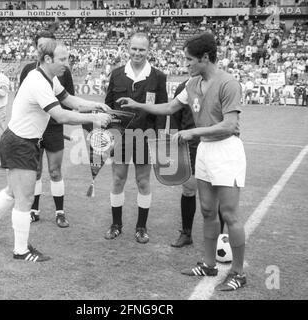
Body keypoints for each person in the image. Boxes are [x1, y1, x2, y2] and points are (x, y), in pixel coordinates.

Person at [118, 32, 247, 291]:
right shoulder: (191, 84)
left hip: (226, 152)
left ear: (206, 58)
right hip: (205, 152)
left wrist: (193, 133)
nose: (185, 63)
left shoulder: (229, 83)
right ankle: (209, 264)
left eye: (189, 59)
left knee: (229, 214)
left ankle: (238, 272)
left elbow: (230, 125)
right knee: (208, 211)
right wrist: (138, 104)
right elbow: (168, 108)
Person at [0, 39, 112, 262]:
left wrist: (94, 105)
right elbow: (61, 115)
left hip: (21, 141)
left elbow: (70, 100)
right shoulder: (38, 81)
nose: (67, 64)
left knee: (13, 191)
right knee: (25, 198)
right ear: (48, 59)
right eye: (62, 59)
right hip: (20, 143)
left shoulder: (49, 78)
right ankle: (21, 250)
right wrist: (94, 118)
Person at [104, 32, 167, 244]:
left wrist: (157, 141)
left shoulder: (158, 77)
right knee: (118, 179)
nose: (137, 53)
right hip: (120, 136)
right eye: (134, 48)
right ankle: (116, 225)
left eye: (142, 49)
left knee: (142, 182)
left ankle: (141, 227)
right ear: (127, 48)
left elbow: (161, 111)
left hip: (144, 137)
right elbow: (109, 108)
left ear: (149, 51)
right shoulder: (117, 74)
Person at [19, 31, 75, 228]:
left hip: (53, 126)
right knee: (35, 170)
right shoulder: (28, 70)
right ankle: (34, 210)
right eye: (40, 46)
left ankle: (60, 212)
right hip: (34, 129)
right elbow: (24, 100)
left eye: (47, 45)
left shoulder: (62, 71)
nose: (43, 49)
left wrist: (62, 118)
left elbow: (68, 101)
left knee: (54, 171)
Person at [170, 81, 225, 248]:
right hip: (190, 147)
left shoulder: (220, 84)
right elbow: (175, 116)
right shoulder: (183, 88)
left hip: (214, 145)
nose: (190, 65)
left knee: (217, 193)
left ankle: (220, 239)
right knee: (188, 190)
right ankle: (186, 233)